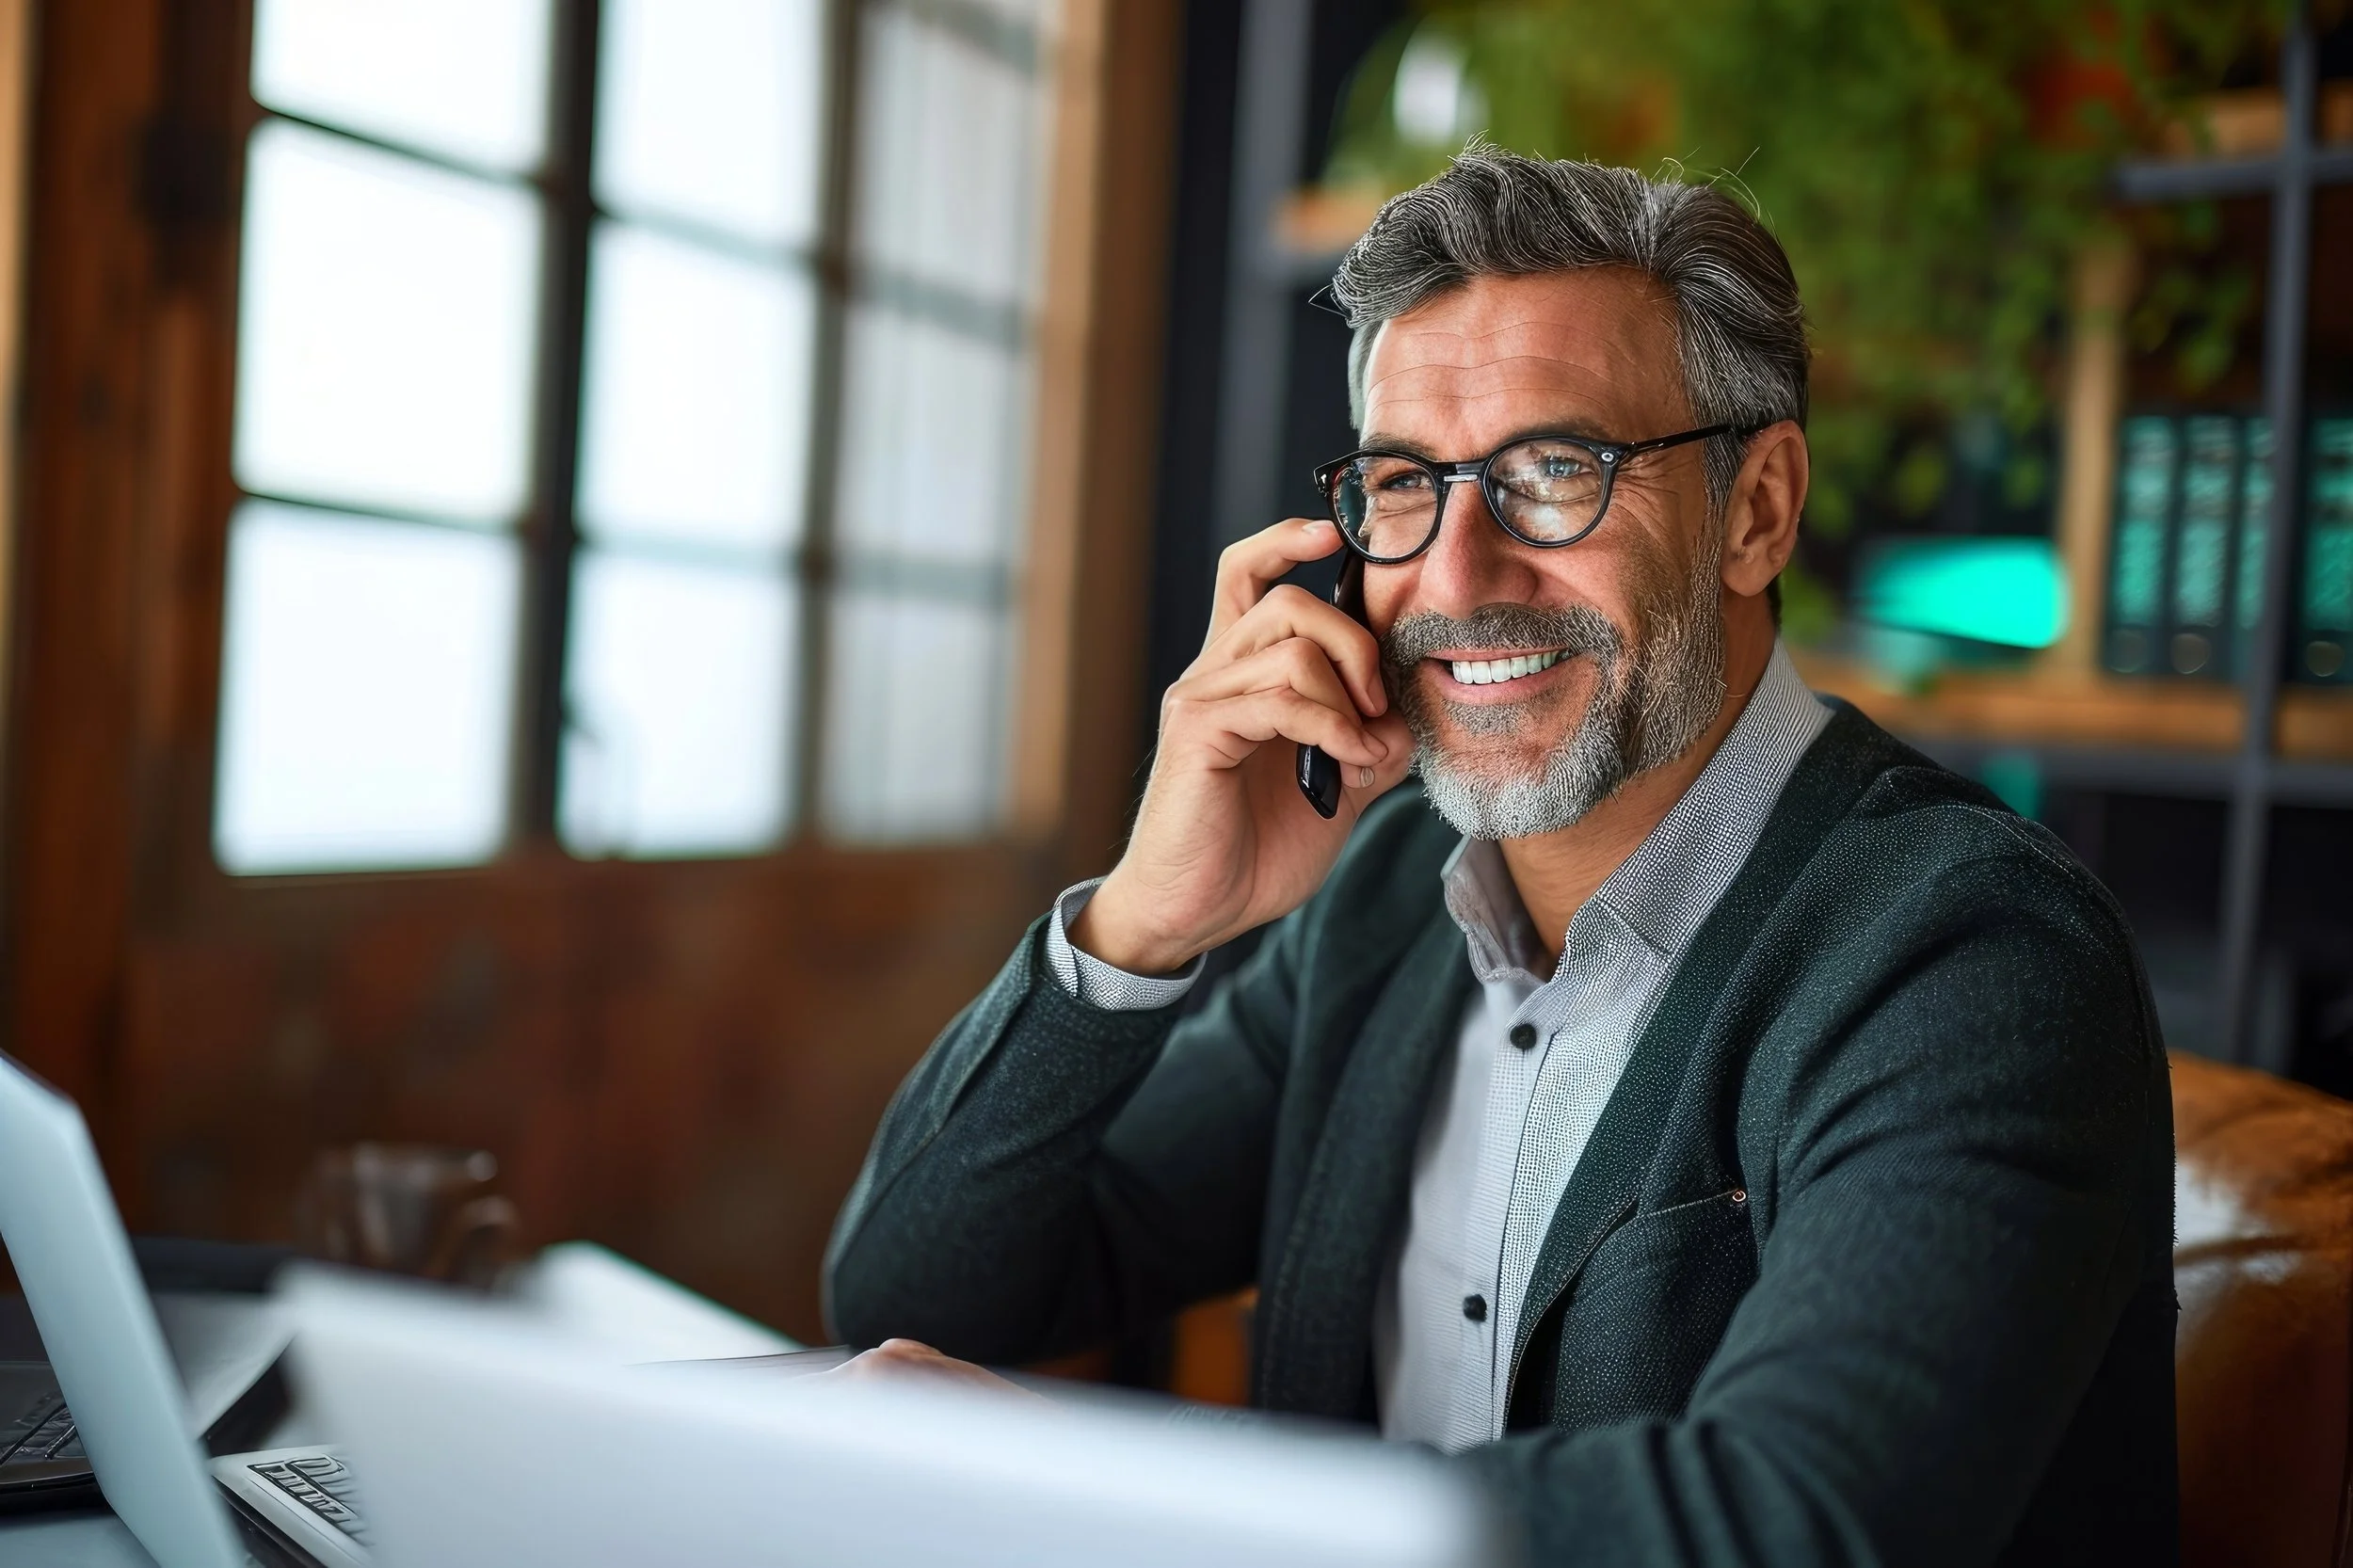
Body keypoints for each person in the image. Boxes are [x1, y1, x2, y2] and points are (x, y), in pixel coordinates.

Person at [823, 147, 2176, 1565]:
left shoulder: (1974, 950)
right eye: (1406, 485)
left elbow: (1800, 1522)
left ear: (1758, 510)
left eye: (1555, 470)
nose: (1459, 579)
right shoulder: (1385, 902)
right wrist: (1148, 922)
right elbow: (917, 1291)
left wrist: (1124, 1502)